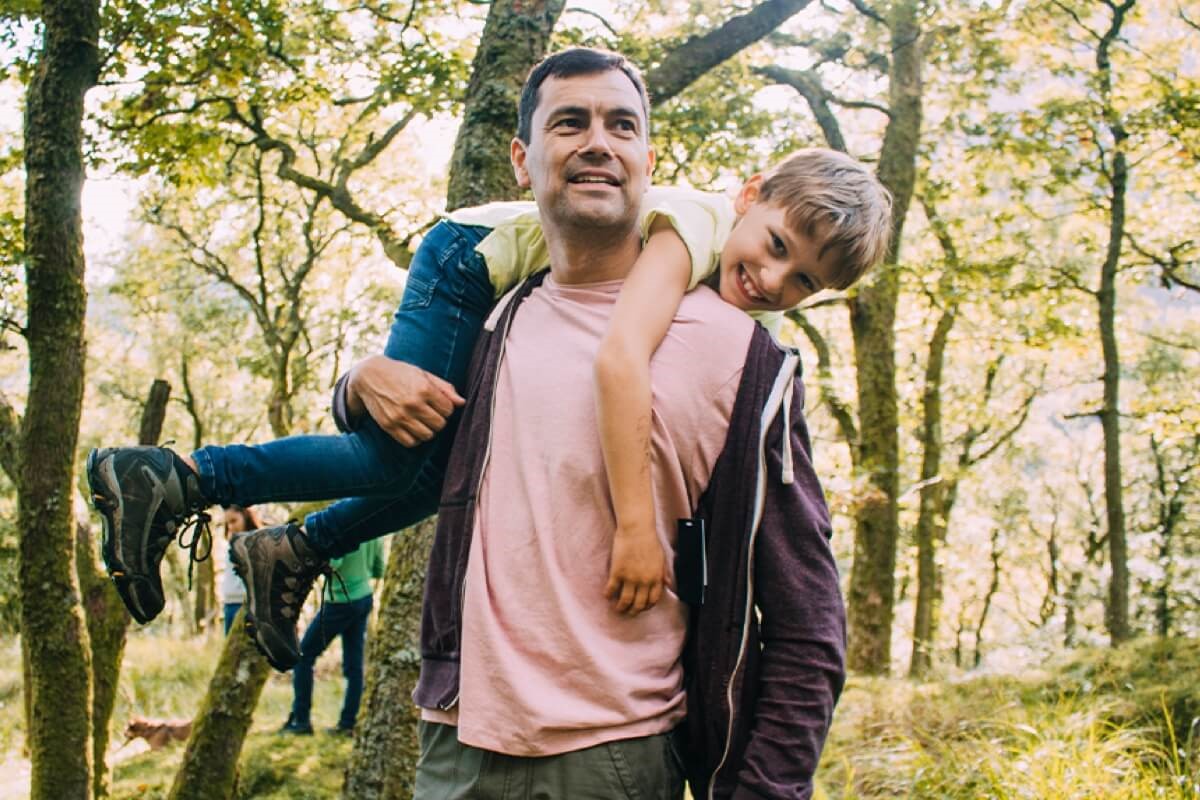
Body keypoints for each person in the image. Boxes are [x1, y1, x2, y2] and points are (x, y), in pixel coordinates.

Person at [86, 134, 888, 668]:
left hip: (480, 272)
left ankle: (295, 549)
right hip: (466, 258)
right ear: (750, 195)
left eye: (805, 282)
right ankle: (183, 476)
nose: (776, 280)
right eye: (779, 245)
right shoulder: (703, 227)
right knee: (393, 454)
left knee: (433, 474)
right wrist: (640, 528)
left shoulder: (724, 281)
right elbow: (618, 359)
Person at [334, 48, 847, 799]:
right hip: (454, 742)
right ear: (524, 159)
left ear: (648, 160)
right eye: (570, 123)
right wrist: (355, 383)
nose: (597, 144)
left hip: (616, 754)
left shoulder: (748, 363)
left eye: (622, 126)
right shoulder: (496, 313)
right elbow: (409, 443)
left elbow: (808, 624)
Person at [278, 537, 385, 736]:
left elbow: (334, 563)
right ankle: (348, 723)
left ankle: (301, 721)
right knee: (354, 666)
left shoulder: (343, 526)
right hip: (363, 598)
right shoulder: (374, 529)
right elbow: (380, 568)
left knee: (302, 656)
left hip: (340, 602)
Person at [217, 505, 261, 634]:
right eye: (228, 523)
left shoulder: (255, 541)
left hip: (245, 604)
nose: (231, 527)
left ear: (244, 515)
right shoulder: (232, 542)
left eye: (234, 521)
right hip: (229, 603)